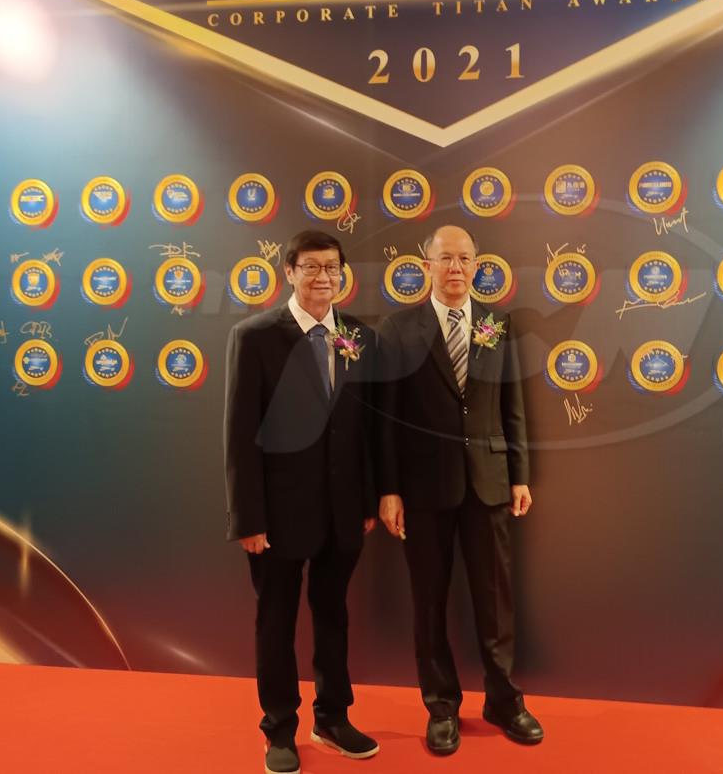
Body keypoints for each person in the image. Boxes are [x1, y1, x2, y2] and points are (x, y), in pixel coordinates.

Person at [377, 224, 543, 755]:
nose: (456, 268)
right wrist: (389, 489)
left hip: (489, 482)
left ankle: (503, 699)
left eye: (465, 259)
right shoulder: (397, 328)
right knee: (429, 601)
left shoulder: (497, 323)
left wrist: (519, 474)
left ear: (477, 265)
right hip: (423, 488)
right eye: (446, 258)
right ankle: (441, 705)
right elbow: (385, 420)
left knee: (496, 599)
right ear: (426, 265)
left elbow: (512, 404)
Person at [223, 230, 379, 774]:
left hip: (343, 511)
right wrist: (248, 517)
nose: (322, 277)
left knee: (334, 616)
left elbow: (365, 427)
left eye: (332, 267)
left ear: (343, 274)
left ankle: (332, 717)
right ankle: (280, 729)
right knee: (276, 621)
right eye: (310, 267)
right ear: (289, 272)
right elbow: (240, 434)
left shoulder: (359, 335)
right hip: (277, 514)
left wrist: (367, 499)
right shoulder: (255, 336)